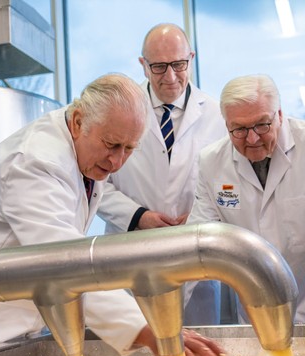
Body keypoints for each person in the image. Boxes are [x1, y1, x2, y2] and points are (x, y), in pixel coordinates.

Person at [0, 73, 229, 356]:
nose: (117, 161)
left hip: (8, 316)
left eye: (129, 149)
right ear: (78, 122)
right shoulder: (36, 161)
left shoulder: (83, 153)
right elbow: (60, 260)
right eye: (111, 145)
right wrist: (145, 329)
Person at [187, 74, 305, 331]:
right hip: (257, 312)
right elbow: (198, 243)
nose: (252, 139)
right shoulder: (211, 162)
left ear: (279, 114)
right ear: (226, 125)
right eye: (239, 129)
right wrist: (160, 317)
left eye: (262, 125)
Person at [97, 24, 226, 325]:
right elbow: (96, 179)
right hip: (132, 252)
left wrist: (199, 217)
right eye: (158, 67)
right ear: (143, 65)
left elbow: (227, 185)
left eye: (179, 65)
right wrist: (138, 215)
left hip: (196, 253)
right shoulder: (119, 112)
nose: (170, 77)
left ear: (191, 59)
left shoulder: (217, 116)